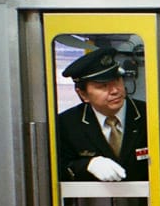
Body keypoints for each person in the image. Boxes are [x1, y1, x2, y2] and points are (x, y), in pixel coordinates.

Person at [57, 47, 149, 183]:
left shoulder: (148, 115)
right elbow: (57, 167)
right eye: (103, 86)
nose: (115, 91)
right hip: (92, 203)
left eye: (117, 80)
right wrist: (88, 165)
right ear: (83, 94)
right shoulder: (67, 124)